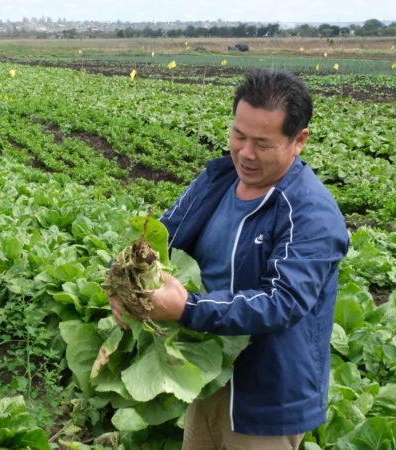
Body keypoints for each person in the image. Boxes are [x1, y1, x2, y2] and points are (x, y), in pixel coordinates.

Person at [110, 69, 349, 449]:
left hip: (266, 398)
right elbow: (159, 236)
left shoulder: (310, 213)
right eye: (238, 135)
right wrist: (121, 283)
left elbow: (282, 302)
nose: (245, 153)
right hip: (206, 371)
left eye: (262, 143)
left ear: (298, 140)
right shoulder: (218, 179)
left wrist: (187, 308)